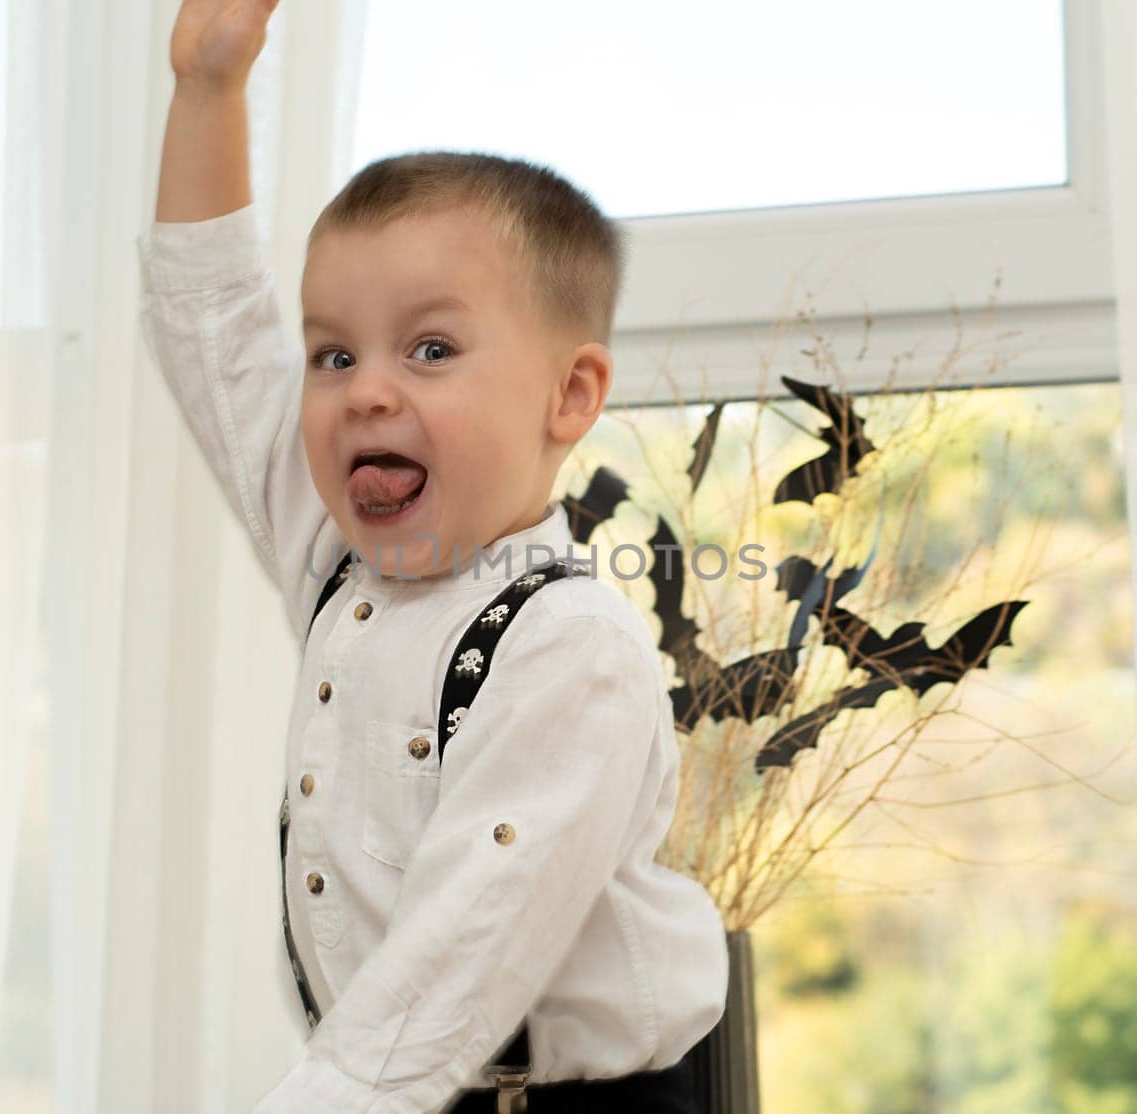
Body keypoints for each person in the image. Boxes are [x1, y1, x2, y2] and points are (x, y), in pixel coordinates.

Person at [137, 2, 728, 1110]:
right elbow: (210, 329)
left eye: (431, 347)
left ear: (568, 395)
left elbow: (447, 970)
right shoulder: (335, 560)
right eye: (331, 352)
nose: (366, 387)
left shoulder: (571, 649)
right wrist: (207, 92)